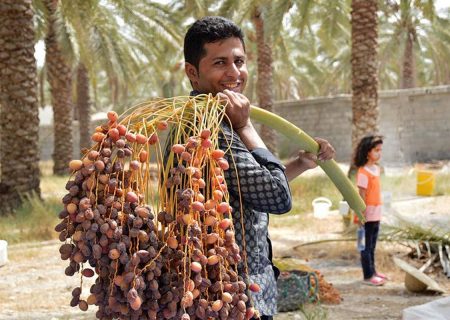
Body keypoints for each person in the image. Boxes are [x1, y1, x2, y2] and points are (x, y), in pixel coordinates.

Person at [183, 16, 335, 319]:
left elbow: (247, 187)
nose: (234, 73)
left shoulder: (215, 122)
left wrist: (299, 164)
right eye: (220, 63)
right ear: (193, 73)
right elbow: (277, 198)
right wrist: (247, 126)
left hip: (236, 290)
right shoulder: (211, 130)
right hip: (232, 291)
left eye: (239, 61)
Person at [352, 135, 386, 286]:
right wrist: (360, 215)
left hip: (376, 213)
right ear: (367, 152)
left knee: (372, 245)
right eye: (376, 150)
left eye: (380, 150)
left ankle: (373, 272)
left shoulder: (376, 169)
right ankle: (368, 276)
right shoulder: (363, 172)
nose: (379, 153)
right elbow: (362, 196)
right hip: (366, 216)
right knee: (365, 247)